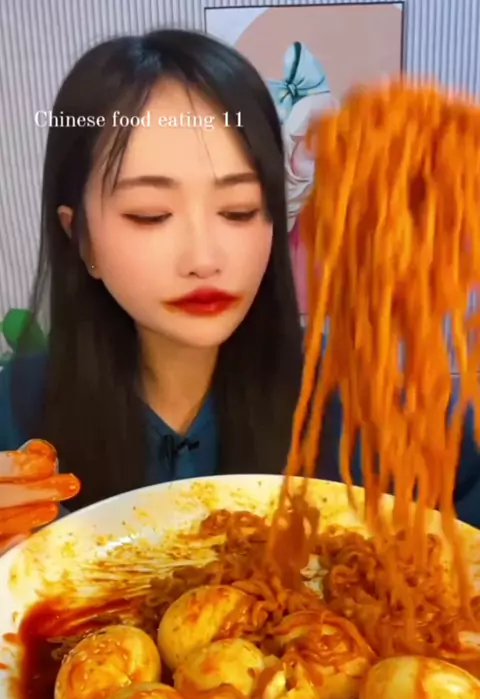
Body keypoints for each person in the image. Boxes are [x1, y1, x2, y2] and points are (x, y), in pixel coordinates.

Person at [0, 28, 479, 530]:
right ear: (81, 237)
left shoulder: (366, 398)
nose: (204, 258)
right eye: (150, 214)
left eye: (239, 210)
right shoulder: (17, 412)